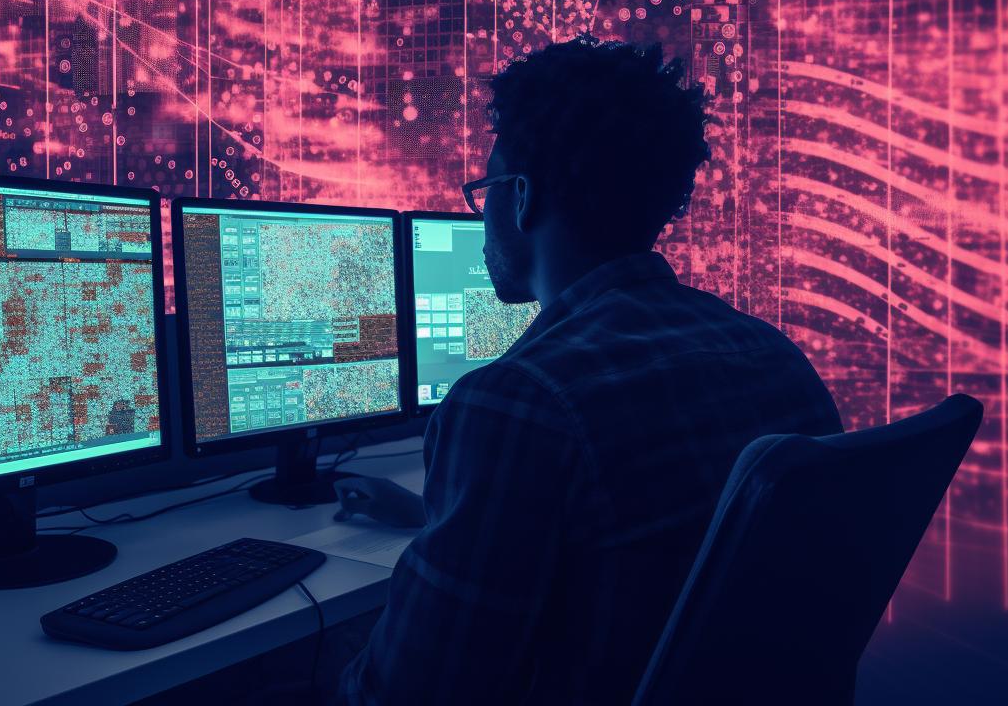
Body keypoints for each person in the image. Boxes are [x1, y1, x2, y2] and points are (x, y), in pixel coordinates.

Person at [336, 37, 843, 704]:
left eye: (483, 189)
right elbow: (647, 547)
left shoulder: (515, 402)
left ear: (520, 199)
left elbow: (412, 694)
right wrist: (444, 517)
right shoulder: (775, 358)